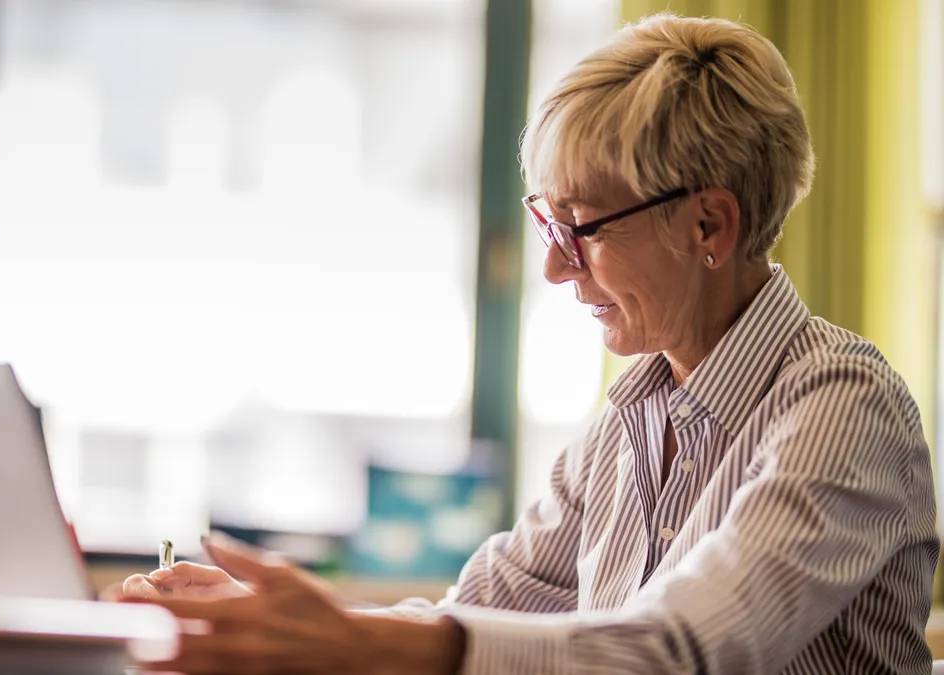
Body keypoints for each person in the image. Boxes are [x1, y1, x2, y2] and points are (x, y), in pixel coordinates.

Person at [115, 13, 940, 674]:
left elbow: (681, 651)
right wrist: (285, 624)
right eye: (548, 222)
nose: (551, 265)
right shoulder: (628, 420)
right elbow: (475, 617)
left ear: (708, 224)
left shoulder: (843, 407)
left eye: (581, 226)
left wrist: (353, 646)